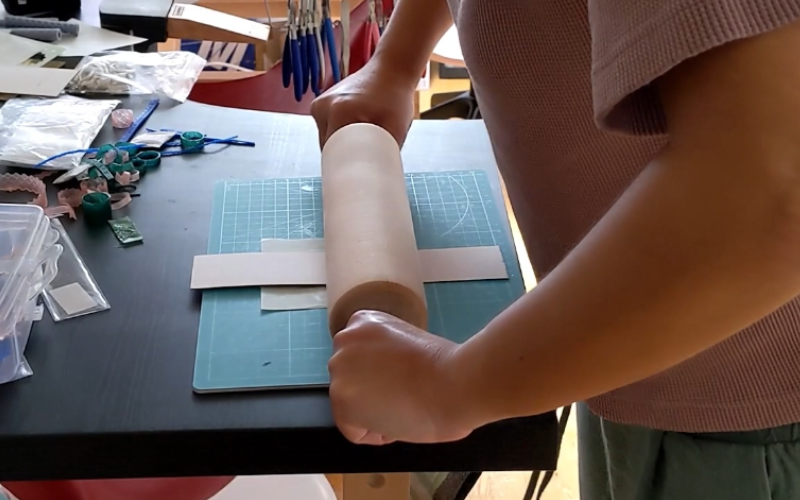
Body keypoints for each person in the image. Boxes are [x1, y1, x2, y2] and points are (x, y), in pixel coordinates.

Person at [310, 1, 800, 499]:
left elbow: (772, 189)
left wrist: (448, 389)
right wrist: (395, 63)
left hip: (743, 415)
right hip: (617, 344)